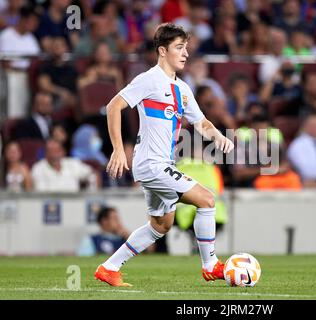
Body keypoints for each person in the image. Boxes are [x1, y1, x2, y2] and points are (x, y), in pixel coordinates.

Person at [94, 23, 234, 287]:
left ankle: (109, 267)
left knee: (161, 225)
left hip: (160, 164)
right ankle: (210, 265)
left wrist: (218, 136)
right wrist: (116, 149)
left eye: (186, 48)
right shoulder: (149, 80)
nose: (185, 54)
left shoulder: (182, 89)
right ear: (162, 51)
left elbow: (201, 122)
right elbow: (114, 106)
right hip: (151, 163)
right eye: (179, 48)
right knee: (206, 199)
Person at [31, 139, 99, 192]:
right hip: (49, 206)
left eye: (57, 150)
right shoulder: (38, 168)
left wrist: (92, 194)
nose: (54, 154)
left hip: (74, 204)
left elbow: (93, 174)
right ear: (45, 153)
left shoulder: (73, 164)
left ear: (63, 152)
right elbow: (39, 192)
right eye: (51, 151)